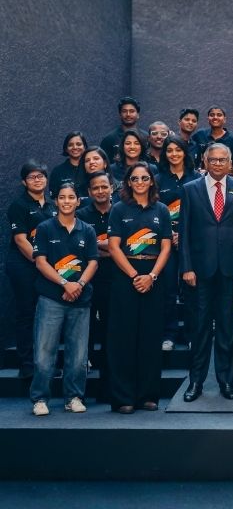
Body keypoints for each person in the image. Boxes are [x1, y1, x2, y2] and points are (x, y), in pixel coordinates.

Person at [179, 143, 233, 402]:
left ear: (230, 163)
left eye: (223, 160)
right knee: (199, 329)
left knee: (226, 329)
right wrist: (186, 267)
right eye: (214, 160)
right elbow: (184, 232)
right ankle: (196, 383)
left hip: (231, 271)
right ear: (205, 161)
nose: (218, 164)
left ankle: (226, 381)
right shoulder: (190, 189)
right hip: (199, 272)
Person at [106, 163, 171, 413]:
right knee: (124, 338)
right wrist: (135, 276)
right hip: (126, 276)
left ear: (152, 181)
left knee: (150, 338)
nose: (140, 182)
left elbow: (166, 247)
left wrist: (151, 276)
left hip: (153, 277)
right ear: (128, 182)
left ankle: (148, 395)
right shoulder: (119, 209)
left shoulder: (161, 210)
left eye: (145, 178)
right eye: (135, 178)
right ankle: (123, 397)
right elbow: (113, 247)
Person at [30, 183, 98, 416]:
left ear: (78, 201)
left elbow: (93, 262)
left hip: (80, 300)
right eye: (62, 197)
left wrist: (79, 285)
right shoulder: (45, 228)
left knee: (78, 356)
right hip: (51, 298)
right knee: (44, 353)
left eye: (71, 197)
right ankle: (40, 399)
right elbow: (40, 262)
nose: (67, 201)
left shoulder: (87, 230)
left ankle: (74, 397)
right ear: (56, 201)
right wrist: (64, 283)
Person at [5, 162, 57, 379]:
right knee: (26, 314)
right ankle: (27, 364)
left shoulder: (53, 206)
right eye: (32, 177)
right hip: (24, 266)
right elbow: (21, 240)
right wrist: (41, 263)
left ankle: (46, 364)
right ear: (24, 182)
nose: (37, 180)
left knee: (47, 315)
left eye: (41, 176)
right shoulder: (18, 205)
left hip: (48, 267)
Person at [155, 137, 199, 351]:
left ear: (185, 152)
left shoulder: (197, 178)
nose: (174, 154)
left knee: (191, 290)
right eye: (169, 150)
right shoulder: (158, 179)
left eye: (178, 150)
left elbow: (201, 214)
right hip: (166, 243)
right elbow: (154, 212)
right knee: (168, 290)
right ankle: (169, 335)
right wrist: (169, 234)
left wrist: (184, 235)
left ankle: (191, 334)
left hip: (191, 242)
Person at [77, 171, 114, 398]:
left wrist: (98, 247)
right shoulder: (80, 215)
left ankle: (108, 387)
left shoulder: (120, 212)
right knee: (84, 333)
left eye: (104, 186)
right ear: (89, 192)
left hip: (114, 281)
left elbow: (123, 246)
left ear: (112, 188)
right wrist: (106, 247)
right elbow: (80, 247)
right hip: (86, 281)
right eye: (96, 188)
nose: (100, 191)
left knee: (111, 333)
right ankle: (78, 390)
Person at [191, 106, 233, 179]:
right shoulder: (199, 135)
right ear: (208, 119)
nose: (215, 117)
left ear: (224, 119)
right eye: (212, 115)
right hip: (202, 180)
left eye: (219, 115)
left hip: (224, 181)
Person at [99, 96, 145, 163]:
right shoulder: (109, 139)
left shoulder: (145, 137)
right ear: (120, 115)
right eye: (124, 111)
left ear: (138, 115)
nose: (128, 114)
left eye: (132, 111)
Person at [49, 132, 88, 198]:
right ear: (66, 149)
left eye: (78, 144)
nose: (75, 147)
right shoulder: (57, 171)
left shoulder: (91, 168)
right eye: (70, 145)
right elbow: (54, 197)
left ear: (84, 147)